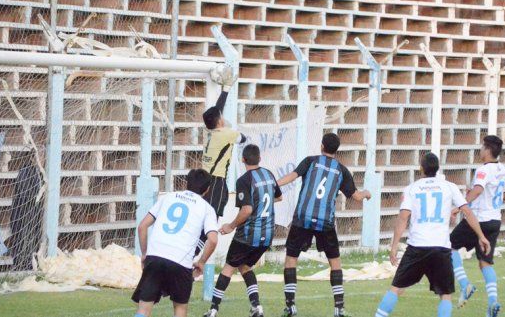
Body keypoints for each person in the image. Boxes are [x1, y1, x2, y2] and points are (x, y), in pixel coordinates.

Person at [375, 153, 490, 317]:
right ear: (437, 168)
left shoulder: (412, 188)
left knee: (396, 289)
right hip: (440, 248)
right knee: (445, 295)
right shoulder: (449, 186)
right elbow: (468, 212)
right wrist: (481, 236)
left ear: (421, 168)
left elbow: (403, 218)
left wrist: (394, 247)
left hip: (417, 247)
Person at [276, 133, 372, 317]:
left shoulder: (310, 161)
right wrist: (367, 193)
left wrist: (273, 184)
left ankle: (290, 306)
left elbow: (292, 176)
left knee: (291, 259)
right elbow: (357, 197)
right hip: (325, 221)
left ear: (321, 146)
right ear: (337, 151)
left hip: (303, 218)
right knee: (335, 263)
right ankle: (339, 309)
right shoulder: (342, 170)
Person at [204, 144, 282, 317]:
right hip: (267, 235)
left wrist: (231, 226)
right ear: (259, 158)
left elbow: (246, 210)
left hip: (248, 235)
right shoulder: (269, 175)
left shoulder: (244, 180)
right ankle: (257, 307)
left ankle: (213, 310)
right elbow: (279, 196)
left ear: (243, 160)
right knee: (245, 267)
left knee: (228, 268)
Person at [132, 169, 219, 317]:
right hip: (181, 262)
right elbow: (213, 239)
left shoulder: (168, 197)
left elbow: (142, 227)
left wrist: (145, 253)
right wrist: (201, 262)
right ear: (207, 190)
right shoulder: (207, 209)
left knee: (144, 307)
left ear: (186, 183)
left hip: (155, 257)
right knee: (179, 308)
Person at [449, 135, 505, 317]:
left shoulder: (483, 170)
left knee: (447, 247)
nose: (480, 150)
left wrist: (460, 205)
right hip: (495, 221)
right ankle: (492, 302)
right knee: (485, 263)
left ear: (488, 150)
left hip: (479, 220)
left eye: (482, 147)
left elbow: (479, 189)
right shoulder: (503, 170)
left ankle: (464, 284)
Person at [197, 85, 247, 254]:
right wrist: (230, 127)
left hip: (202, 179)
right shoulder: (226, 133)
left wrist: (225, 90)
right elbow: (243, 139)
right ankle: (192, 256)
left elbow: (217, 110)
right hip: (216, 181)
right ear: (219, 121)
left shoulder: (208, 131)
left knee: (200, 220)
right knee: (211, 222)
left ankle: (191, 252)